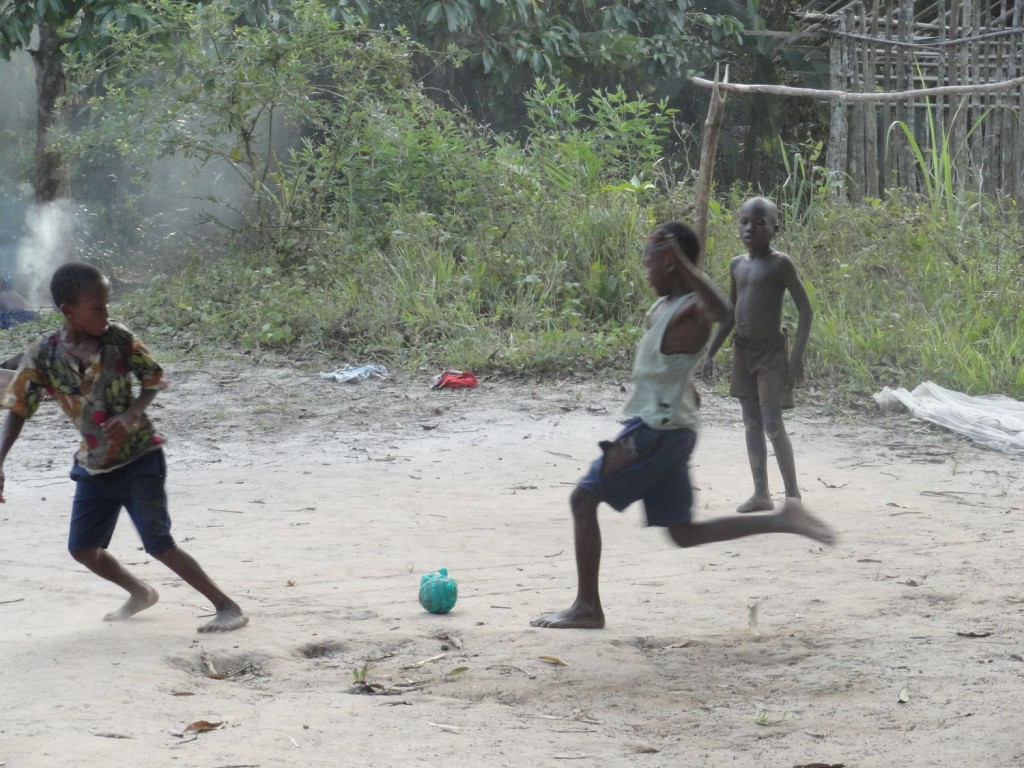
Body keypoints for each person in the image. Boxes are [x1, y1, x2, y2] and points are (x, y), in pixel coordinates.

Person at [531, 222, 835, 630]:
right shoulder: (665, 308)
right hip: (666, 429)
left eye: (651, 261)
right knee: (682, 533)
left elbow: (723, 311)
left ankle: (588, 608)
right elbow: (673, 365)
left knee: (583, 501)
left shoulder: (692, 308)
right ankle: (782, 520)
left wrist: (681, 260)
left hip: (653, 435)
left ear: (672, 263)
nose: (646, 269)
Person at [0, 262, 248, 633]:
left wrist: (133, 413)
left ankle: (228, 606)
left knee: (159, 544)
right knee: (83, 550)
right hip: (95, 464)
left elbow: (154, 378)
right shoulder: (44, 355)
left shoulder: (119, 340)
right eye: (97, 308)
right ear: (69, 311)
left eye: (107, 305)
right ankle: (140, 592)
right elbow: (18, 409)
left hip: (140, 457)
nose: (106, 314)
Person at [701, 196, 813, 514]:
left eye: (760, 223)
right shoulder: (738, 265)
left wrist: (796, 358)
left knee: (772, 423)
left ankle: (792, 497)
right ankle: (761, 493)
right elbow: (732, 312)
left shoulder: (781, 264)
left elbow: (806, 311)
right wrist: (710, 352)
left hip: (771, 354)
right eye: (745, 222)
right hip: (743, 351)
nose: (750, 228)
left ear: (775, 228)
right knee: (751, 422)